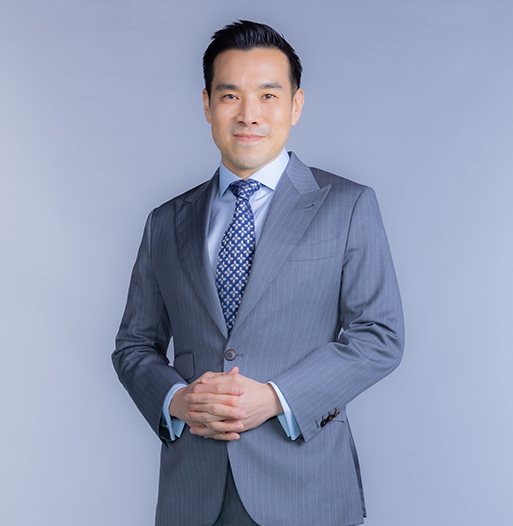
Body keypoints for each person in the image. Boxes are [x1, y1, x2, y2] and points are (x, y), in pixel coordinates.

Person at [113, 20, 404, 526]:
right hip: (193, 489)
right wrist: (177, 400)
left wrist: (275, 398)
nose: (249, 114)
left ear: (296, 104)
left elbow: (379, 335)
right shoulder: (166, 222)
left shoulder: (348, 205)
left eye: (268, 95)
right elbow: (134, 345)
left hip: (306, 486)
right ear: (207, 105)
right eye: (230, 95)